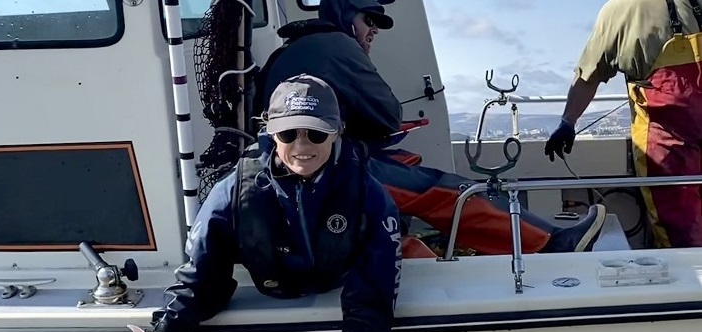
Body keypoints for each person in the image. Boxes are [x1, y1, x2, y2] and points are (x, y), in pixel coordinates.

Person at [253, 0, 608, 256]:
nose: (374, 28)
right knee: (448, 189)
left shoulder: (288, 51)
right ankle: (549, 244)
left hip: (292, 175)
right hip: (328, 174)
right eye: (368, 17)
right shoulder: (339, 45)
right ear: (345, 13)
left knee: (406, 163)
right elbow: (387, 115)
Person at [142, 74, 401, 332]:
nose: (302, 145)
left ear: (338, 132)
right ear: (269, 133)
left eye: (317, 133)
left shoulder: (367, 194)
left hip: (334, 287)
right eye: (288, 133)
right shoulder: (232, 194)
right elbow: (201, 277)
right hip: (269, 288)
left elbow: (376, 281)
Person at [545, 0, 702, 249]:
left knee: (678, 224)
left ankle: (688, 279)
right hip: (677, 132)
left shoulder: (619, 9)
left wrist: (568, 121)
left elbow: (588, 75)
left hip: (667, 140)